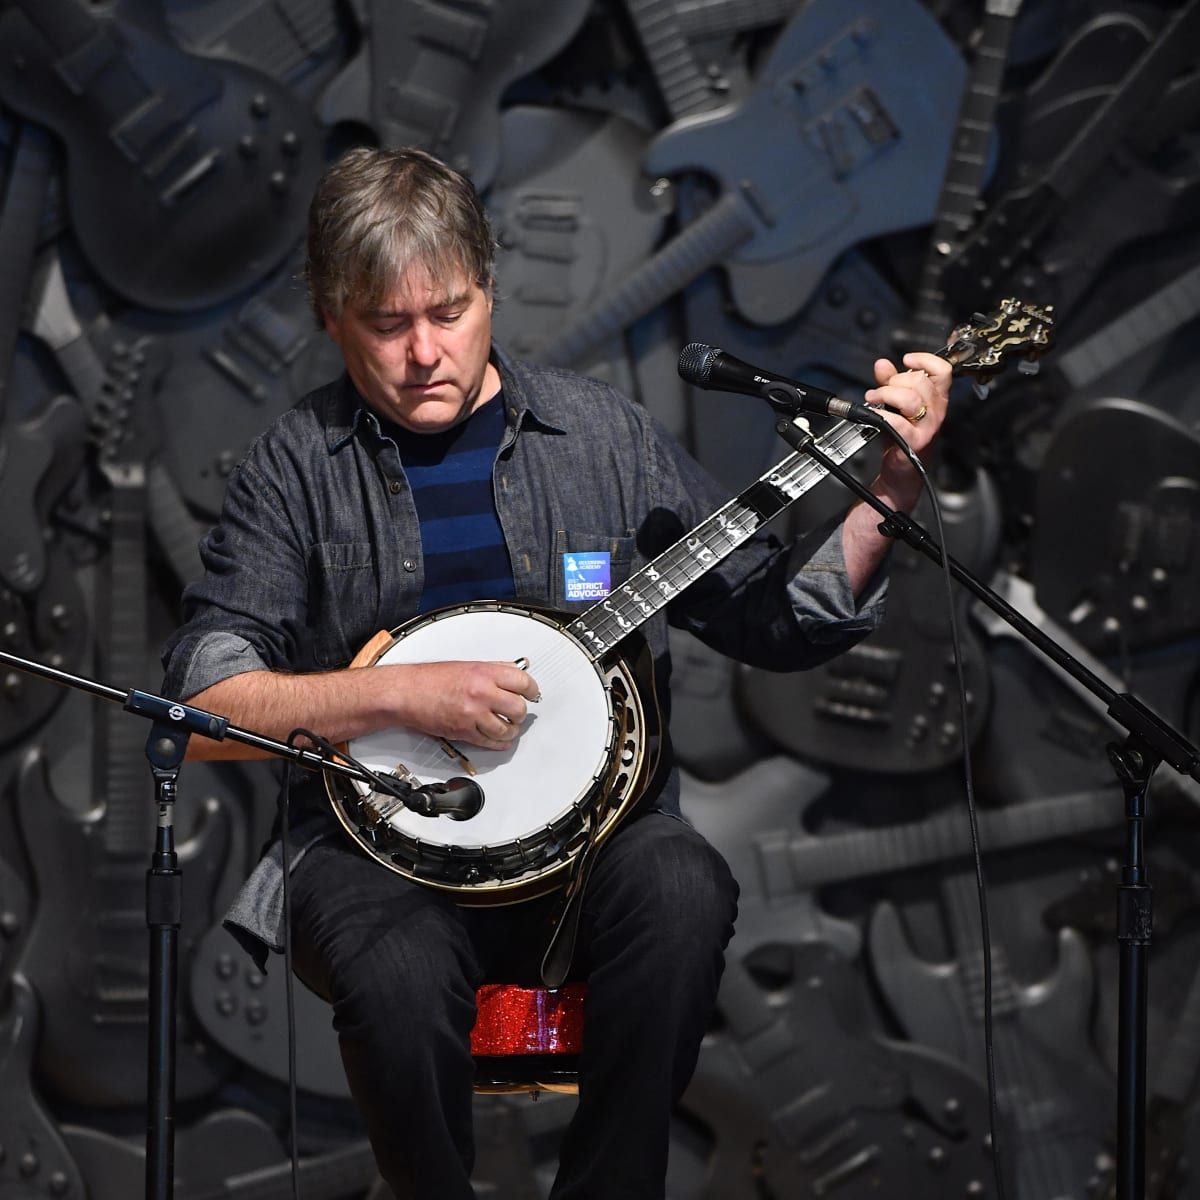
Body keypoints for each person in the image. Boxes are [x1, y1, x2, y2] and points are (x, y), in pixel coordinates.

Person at [162, 145, 951, 1199]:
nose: (424, 353)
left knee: (682, 884)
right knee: (396, 971)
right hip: (375, 864)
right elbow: (203, 709)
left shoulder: (604, 439)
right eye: (387, 325)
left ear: (489, 285)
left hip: (596, 852)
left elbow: (775, 617)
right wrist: (395, 693)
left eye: (449, 310)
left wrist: (888, 489)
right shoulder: (294, 468)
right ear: (330, 317)